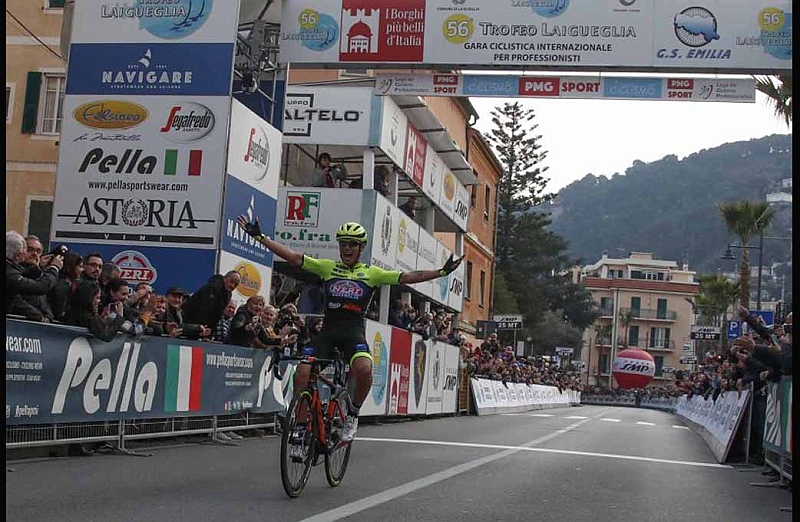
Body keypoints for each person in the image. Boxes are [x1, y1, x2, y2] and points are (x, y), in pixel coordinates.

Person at [237, 216, 462, 443]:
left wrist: (441, 273)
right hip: (328, 331)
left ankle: (353, 414)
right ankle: (301, 425)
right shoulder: (327, 267)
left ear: (361, 247)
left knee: (364, 369)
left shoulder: (372, 273)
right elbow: (294, 257)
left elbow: (408, 277)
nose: (347, 248)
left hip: (352, 332)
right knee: (302, 374)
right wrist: (260, 237)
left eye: (352, 244)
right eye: (343, 243)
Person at [6, 231, 62, 321]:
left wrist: (40, 267)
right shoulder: (10, 273)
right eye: (29, 249)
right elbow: (41, 287)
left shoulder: (38, 272)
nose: (35, 254)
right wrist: (54, 268)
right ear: (18, 254)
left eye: (38, 251)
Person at [50, 252, 83, 322]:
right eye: (80, 266)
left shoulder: (74, 284)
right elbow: (60, 311)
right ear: (71, 267)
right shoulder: (62, 286)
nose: (82, 270)